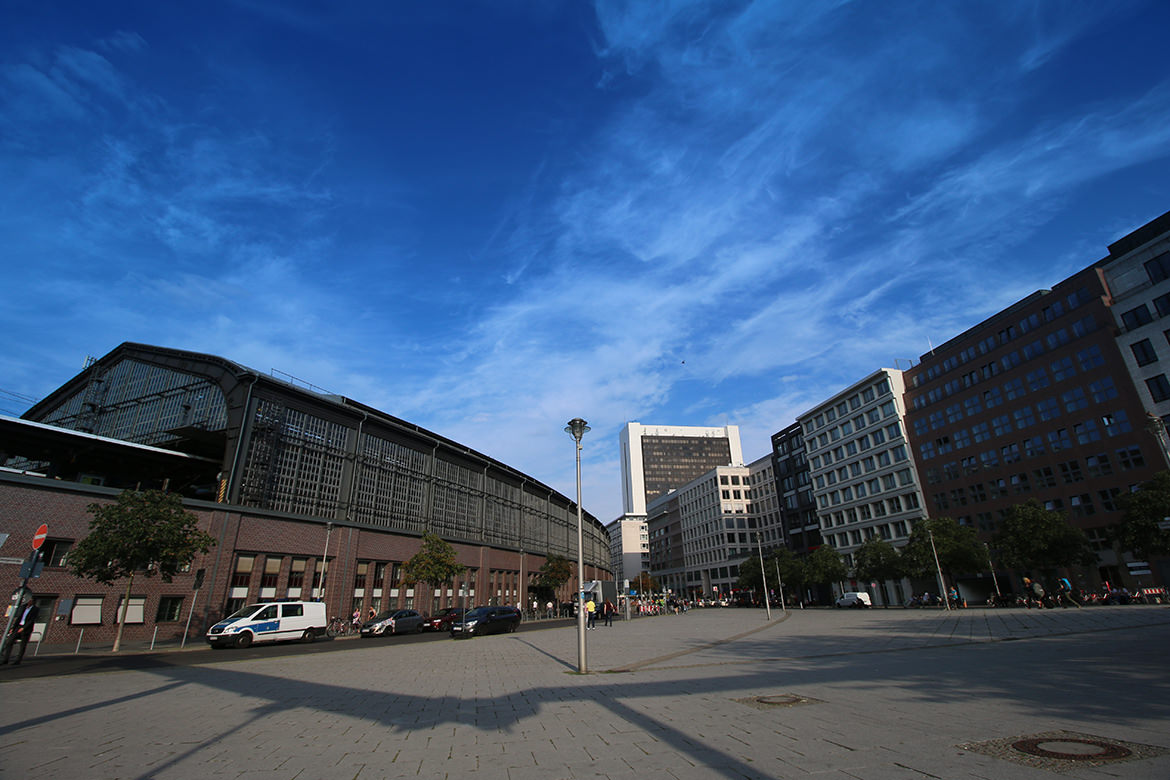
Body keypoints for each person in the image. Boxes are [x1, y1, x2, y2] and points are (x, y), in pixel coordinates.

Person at [2, 593, 39, 666]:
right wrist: (13, 628)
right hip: (18, 626)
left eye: (30, 600)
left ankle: (18, 660)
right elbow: (19, 618)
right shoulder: (23, 607)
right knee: (9, 641)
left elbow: (31, 620)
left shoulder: (36, 609)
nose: (28, 602)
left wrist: (24, 628)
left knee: (22, 645)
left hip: (26, 629)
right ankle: (5, 659)